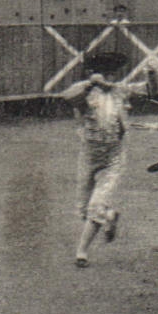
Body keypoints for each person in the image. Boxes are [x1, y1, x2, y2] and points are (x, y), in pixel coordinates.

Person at [60, 51, 144, 268]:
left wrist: (151, 75)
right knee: (82, 209)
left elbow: (151, 91)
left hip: (114, 155)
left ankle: (82, 251)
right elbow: (67, 97)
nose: (110, 78)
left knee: (96, 206)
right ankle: (109, 215)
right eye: (106, 74)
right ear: (94, 74)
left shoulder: (120, 92)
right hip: (89, 154)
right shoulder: (84, 91)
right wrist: (90, 84)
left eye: (112, 74)